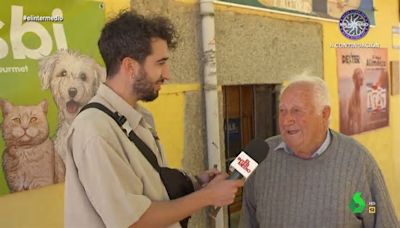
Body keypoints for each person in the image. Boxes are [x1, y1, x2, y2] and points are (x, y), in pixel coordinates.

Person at [64, 10, 244, 228]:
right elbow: (133, 221)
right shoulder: (95, 131)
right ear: (130, 66)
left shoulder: (139, 116)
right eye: (160, 63)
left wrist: (196, 183)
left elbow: (150, 188)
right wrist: (208, 197)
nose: (167, 74)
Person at [239, 75, 399, 227]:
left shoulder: (357, 161)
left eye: (297, 110)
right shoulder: (263, 158)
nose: (287, 120)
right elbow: (248, 221)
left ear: (324, 114)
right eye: (282, 110)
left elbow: (381, 219)